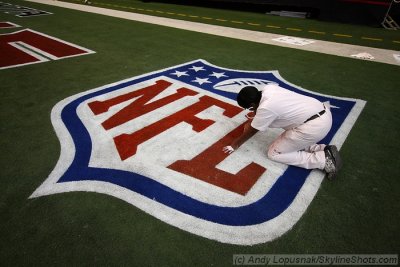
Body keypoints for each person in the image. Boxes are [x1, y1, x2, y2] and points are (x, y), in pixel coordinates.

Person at [223, 84, 342, 179]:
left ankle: (322, 160)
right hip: (322, 113)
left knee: (274, 153)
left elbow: (252, 130)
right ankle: (322, 149)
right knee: (292, 138)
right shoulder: (269, 88)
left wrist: (235, 144)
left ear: (253, 104)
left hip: (314, 126)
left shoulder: (265, 108)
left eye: (249, 108)